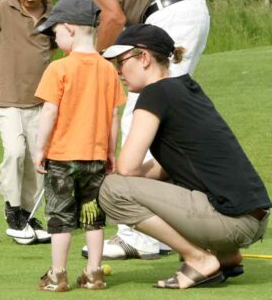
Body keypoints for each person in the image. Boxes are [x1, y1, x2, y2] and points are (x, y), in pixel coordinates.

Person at [0, 0, 211, 259]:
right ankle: (168, 227)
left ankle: (137, 235)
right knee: (162, 128)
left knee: (140, 122)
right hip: (175, 14)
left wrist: (89, 70)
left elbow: (112, 16)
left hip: (170, 15)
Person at [99, 24, 270, 289]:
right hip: (252, 219)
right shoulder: (185, 87)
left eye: (122, 62)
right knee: (138, 183)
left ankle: (199, 259)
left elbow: (128, 167)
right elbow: (167, 166)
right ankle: (225, 255)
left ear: (144, 58)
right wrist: (138, 183)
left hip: (231, 222)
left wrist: (124, 180)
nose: (119, 71)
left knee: (112, 189)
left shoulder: (154, 93)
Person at [32, 0, 125, 291]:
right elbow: (114, 117)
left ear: (70, 28)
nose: (55, 39)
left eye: (55, 32)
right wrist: (111, 153)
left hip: (61, 158)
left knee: (60, 217)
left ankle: (58, 274)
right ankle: (94, 272)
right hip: (96, 158)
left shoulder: (59, 69)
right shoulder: (109, 69)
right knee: (93, 216)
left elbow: (49, 111)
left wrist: (39, 149)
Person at [0, 0, 54, 244]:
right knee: (15, 153)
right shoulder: (1, 9)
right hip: (7, 101)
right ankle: (13, 211)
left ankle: (29, 215)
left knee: (36, 163)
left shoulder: (53, 17)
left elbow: (60, 51)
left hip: (42, 103)